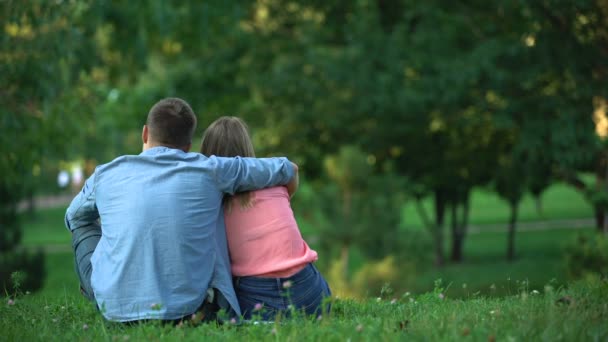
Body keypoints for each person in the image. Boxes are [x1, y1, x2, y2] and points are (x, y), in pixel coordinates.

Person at [64, 98, 298, 324]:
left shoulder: (106, 174)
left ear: (145, 133)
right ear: (188, 146)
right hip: (189, 313)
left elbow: (73, 216)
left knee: (82, 223)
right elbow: (285, 168)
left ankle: (112, 290)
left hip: (113, 311)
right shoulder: (210, 170)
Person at [200, 116, 331, 320]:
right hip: (310, 292)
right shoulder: (277, 186)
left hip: (258, 295)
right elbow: (292, 175)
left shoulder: (214, 207)